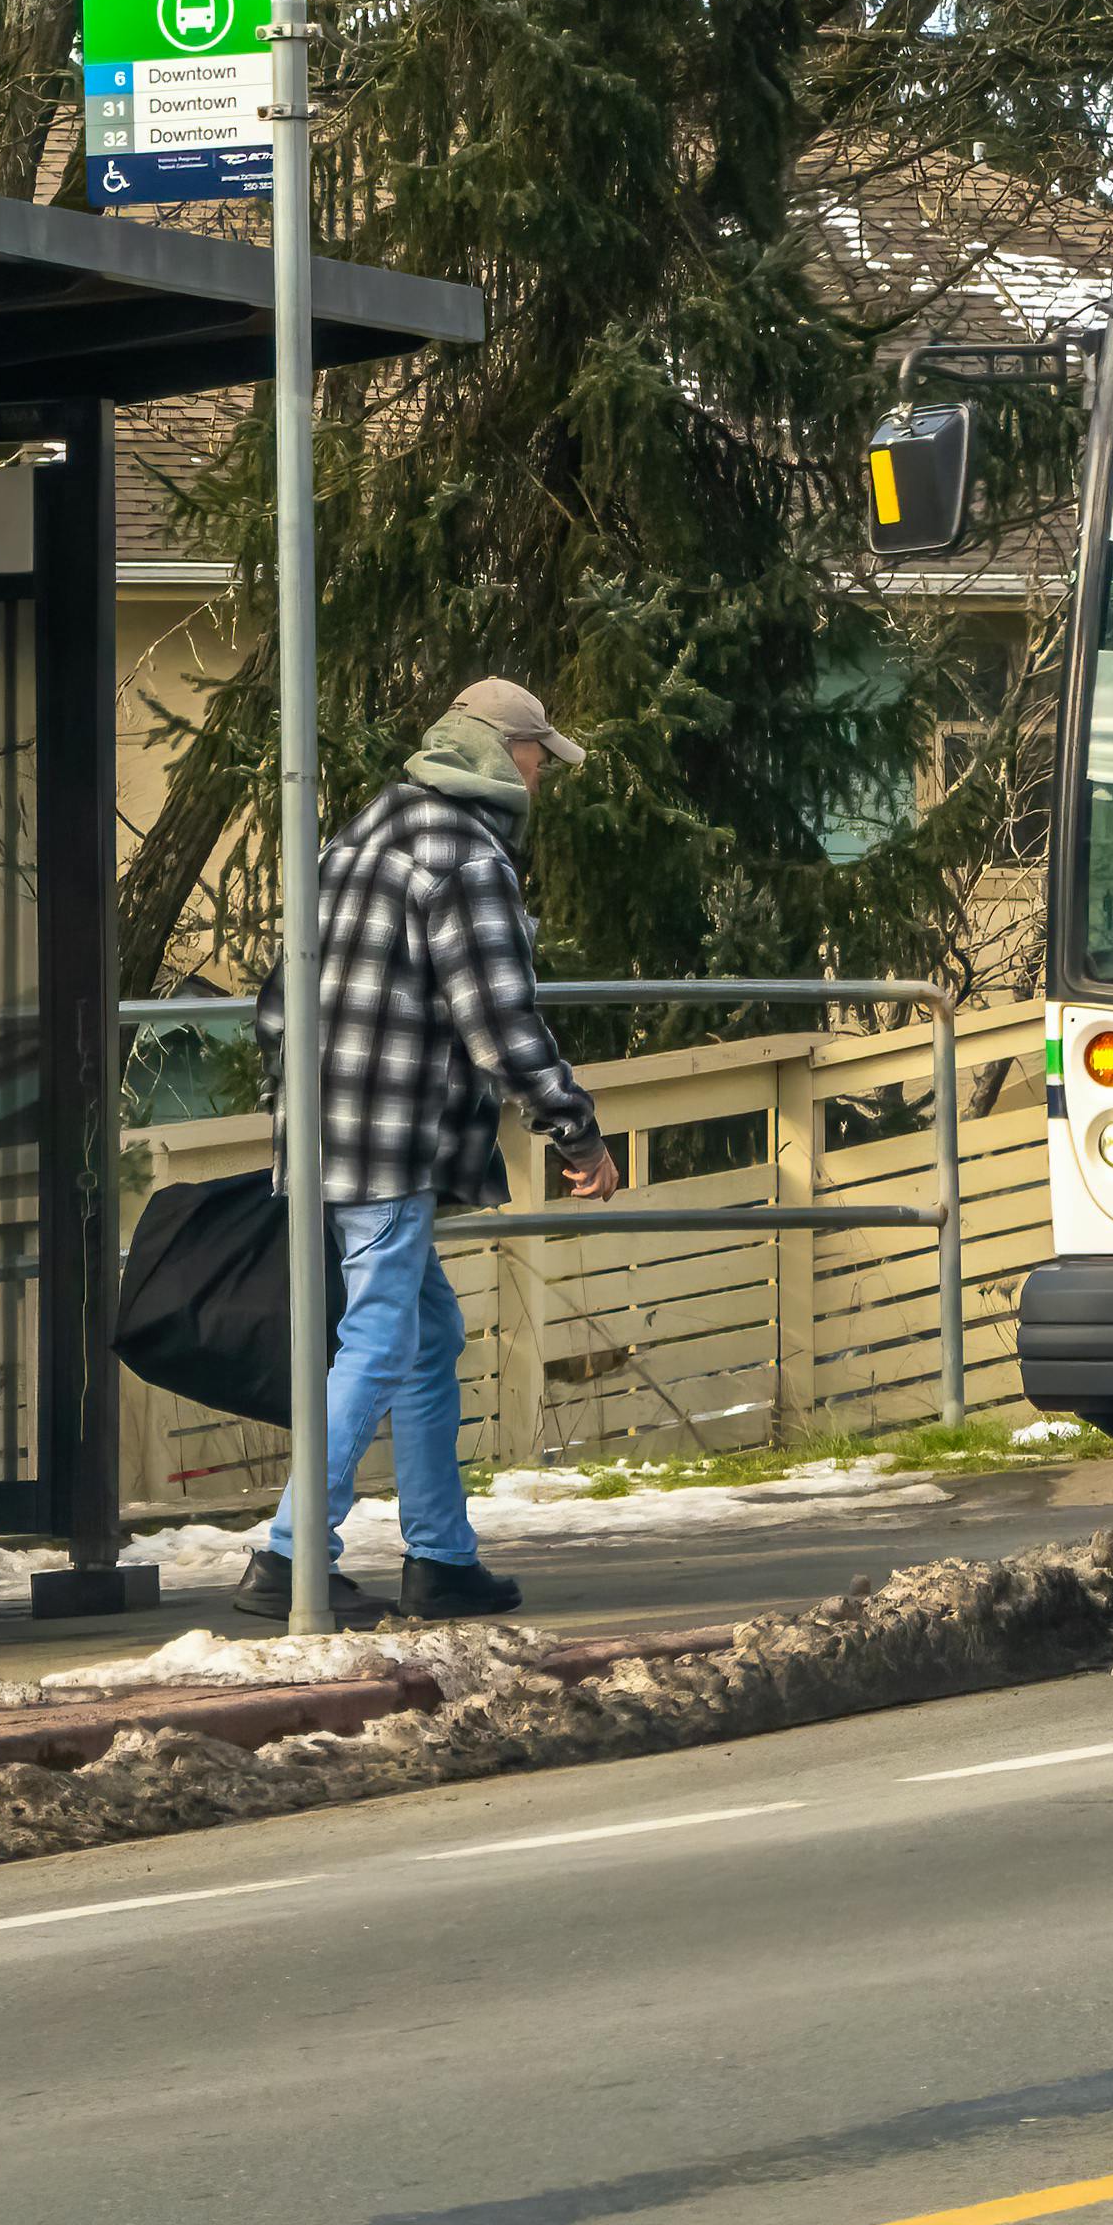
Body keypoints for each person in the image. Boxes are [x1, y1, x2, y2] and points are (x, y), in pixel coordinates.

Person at [241, 677, 624, 1626]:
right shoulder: (463, 856)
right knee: (376, 1336)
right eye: (538, 755)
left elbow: (273, 1003)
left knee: (426, 1336)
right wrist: (573, 1127)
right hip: (394, 1140)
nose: (543, 775)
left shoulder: (355, 838)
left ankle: (442, 1559)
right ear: (499, 752)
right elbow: (497, 1019)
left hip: (322, 1129)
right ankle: (289, 1555)